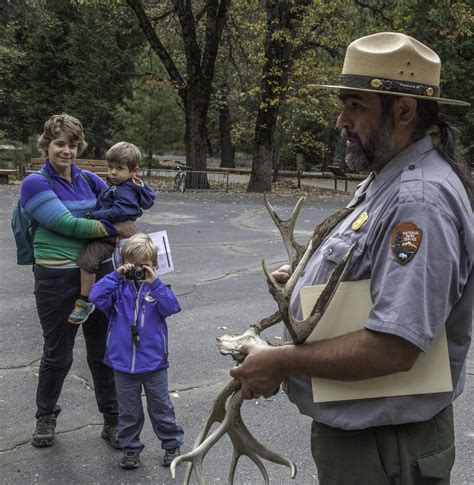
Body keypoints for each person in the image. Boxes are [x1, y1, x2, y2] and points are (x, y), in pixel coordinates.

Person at [230, 32, 473, 484]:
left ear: (404, 110)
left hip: (384, 451)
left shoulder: (416, 203)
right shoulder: (387, 177)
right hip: (373, 439)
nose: (341, 119)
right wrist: (305, 279)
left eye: (356, 105)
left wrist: (281, 360)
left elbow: (395, 346)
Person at [20, 113, 136, 448]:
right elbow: (67, 224)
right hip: (55, 280)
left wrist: (126, 216)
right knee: (59, 352)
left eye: (72, 144)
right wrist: (113, 228)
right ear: (46, 145)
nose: (66, 151)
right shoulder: (34, 183)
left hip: (98, 275)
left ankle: (112, 421)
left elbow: (125, 204)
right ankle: (45, 417)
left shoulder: (89, 180)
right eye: (59, 143)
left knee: (102, 351)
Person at [89, 233, 185, 470]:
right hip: (123, 365)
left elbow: (172, 307)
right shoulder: (117, 290)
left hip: (154, 364)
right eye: (133, 266)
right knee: (128, 412)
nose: (139, 271)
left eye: (145, 266)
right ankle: (131, 448)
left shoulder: (159, 289)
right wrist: (116, 276)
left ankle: (171, 445)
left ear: (155, 265)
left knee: (161, 408)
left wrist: (155, 283)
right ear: (123, 264)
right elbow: (94, 295)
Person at [68, 141, 155, 325]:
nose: (113, 172)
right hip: (114, 232)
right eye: (110, 167)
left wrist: (94, 215)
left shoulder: (125, 190)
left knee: (87, 261)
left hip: (107, 236)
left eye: (119, 168)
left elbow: (119, 212)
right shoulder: (124, 185)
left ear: (133, 171)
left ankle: (85, 301)